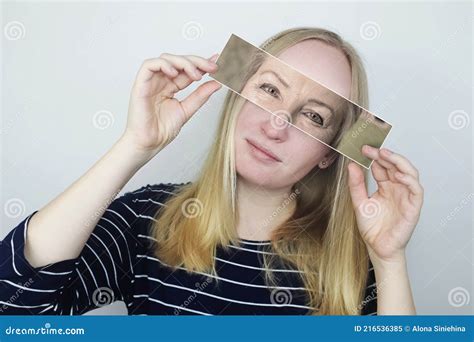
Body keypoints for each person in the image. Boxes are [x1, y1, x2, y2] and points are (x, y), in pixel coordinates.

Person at [0, 27, 423, 315]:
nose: (277, 124)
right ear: (236, 96)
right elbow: (13, 307)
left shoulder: (348, 259)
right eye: (269, 89)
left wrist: (389, 261)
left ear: (329, 154)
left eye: (313, 116)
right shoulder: (149, 218)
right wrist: (134, 146)